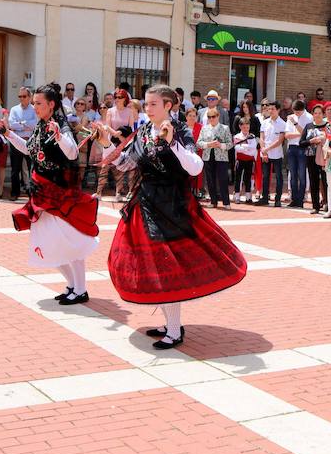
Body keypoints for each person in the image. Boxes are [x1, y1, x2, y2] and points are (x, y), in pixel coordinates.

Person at [99, 84, 247, 349]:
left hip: (174, 205)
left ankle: (175, 329)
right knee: (153, 264)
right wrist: (107, 145)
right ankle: (170, 323)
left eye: (153, 104)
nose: (148, 108)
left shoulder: (180, 130)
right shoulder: (143, 131)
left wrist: (172, 143)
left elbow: (195, 167)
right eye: (146, 104)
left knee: (168, 266)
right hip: (146, 204)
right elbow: (128, 164)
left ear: (169, 105)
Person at [1, 83, 99, 304]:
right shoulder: (41, 125)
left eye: (38, 103)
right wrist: (7, 133)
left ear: (51, 105)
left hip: (60, 194)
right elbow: (29, 149)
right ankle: (73, 285)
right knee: (48, 242)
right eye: (34, 102)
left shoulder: (60, 125)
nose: (34, 106)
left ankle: (80, 289)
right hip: (42, 194)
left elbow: (73, 152)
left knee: (70, 241)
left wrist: (58, 136)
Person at [97, 89, 135, 201]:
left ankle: (118, 193)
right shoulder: (110, 111)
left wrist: (120, 135)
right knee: (105, 166)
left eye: (120, 97)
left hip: (124, 141)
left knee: (120, 167)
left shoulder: (129, 111)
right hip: (112, 140)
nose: (117, 99)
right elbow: (107, 126)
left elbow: (130, 127)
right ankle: (98, 192)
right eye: (116, 97)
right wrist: (115, 133)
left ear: (125, 99)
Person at [197, 108, 232, 209]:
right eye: (209, 117)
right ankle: (213, 201)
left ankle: (226, 202)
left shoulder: (225, 128)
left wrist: (220, 145)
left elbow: (230, 144)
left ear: (218, 117)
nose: (211, 119)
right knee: (210, 180)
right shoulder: (204, 128)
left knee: (223, 180)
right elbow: (199, 143)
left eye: (213, 117)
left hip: (221, 157)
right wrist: (208, 144)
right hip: (208, 157)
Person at [8, 87, 37, 201]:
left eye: (24, 96)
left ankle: (32, 193)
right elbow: (11, 124)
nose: (21, 99)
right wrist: (25, 125)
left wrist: (20, 124)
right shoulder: (14, 109)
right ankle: (15, 192)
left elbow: (35, 124)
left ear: (30, 97)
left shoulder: (35, 109)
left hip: (30, 141)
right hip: (16, 141)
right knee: (15, 169)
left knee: (32, 168)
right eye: (20, 96)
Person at [300, 104, 329, 214]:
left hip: (324, 157)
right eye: (315, 113)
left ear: (323, 114)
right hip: (311, 156)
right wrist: (312, 141)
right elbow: (301, 143)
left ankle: (327, 204)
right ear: (312, 114)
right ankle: (315, 206)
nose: (317, 115)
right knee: (313, 181)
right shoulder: (308, 126)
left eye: (319, 113)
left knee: (326, 181)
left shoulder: (327, 126)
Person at [256, 100, 286, 207]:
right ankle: (264, 198)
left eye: (273, 109)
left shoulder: (282, 124)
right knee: (265, 176)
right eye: (269, 109)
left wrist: (266, 149)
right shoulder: (264, 122)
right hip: (265, 154)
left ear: (278, 110)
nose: (271, 111)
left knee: (278, 176)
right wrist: (263, 151)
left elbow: (279, 141)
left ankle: (277, 199)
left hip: (276, 154)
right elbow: (261, 137)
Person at [284, 100, 312, 208]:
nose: (296, 114)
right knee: (293, 174)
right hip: (292, 147)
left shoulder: (309, 117)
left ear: (303, 110)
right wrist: (299, 133)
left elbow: (306, 134)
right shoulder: (290, 117)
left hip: (302, 147)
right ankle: (294, 199)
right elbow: (286, 135)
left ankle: (300, 200)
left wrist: (295, 124)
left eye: (298, 112)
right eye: (294, 112)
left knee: (302, 174)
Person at [232, 118, 257, 203]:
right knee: (238, 178)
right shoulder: (237, 136)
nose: (246, 129)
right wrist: (248, 147)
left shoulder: (252, 136)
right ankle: (237, 196)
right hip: (240, 160)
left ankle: (248, 197)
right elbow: (237, 148)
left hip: (249, 160)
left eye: (247, 127)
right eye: (244, 127)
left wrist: (244, 146)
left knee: (248, 178)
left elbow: (253, 148)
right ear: (240, 126)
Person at [184, 107, 204, 198]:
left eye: (194, 116)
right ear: (186, 116)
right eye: (190, 115)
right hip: (184, 155)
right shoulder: (182, 127)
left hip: (197, 154)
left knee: (197, 175)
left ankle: (197, 192)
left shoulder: (200, 127)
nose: (192, 118)